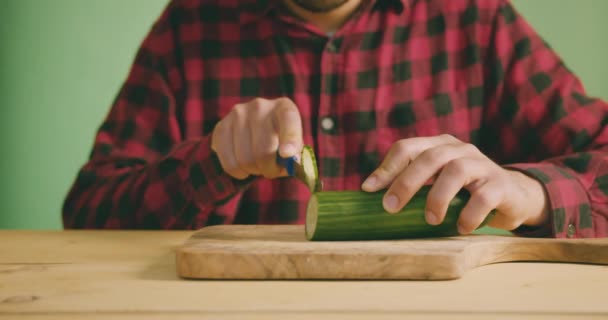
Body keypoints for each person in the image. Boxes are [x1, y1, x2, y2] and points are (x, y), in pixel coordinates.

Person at [62, 0, 608, 238]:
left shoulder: (474, 16)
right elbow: (88, 212)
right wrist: (210, 164)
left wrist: (528, 191)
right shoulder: (191, 24)